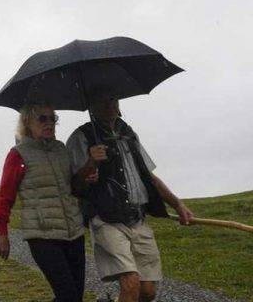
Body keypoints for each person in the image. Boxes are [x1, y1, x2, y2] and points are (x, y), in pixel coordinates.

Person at [67, 88, 194, 302]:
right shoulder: (81, 137)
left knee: (147, 292)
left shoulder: (128, 133)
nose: (109, 104)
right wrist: (91, 162)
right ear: (91, 106)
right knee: (131, 282)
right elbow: (74, 186)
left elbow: (148, 176)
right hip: (106, 220)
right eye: (102, 100)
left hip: (137, 219)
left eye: (112, 99)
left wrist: (178, 205)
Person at [0, 103, 90, 302]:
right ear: (27, 122)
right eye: (42, 118)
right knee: (68, 295)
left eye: (53, 118)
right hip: (42, 234)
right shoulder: (18, 154)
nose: (49, 123)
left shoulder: (61, 149)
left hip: (73, 231)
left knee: (75, 296)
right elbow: (4, 197)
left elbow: (72, 187)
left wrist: (88, 173)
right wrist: (2, 234)